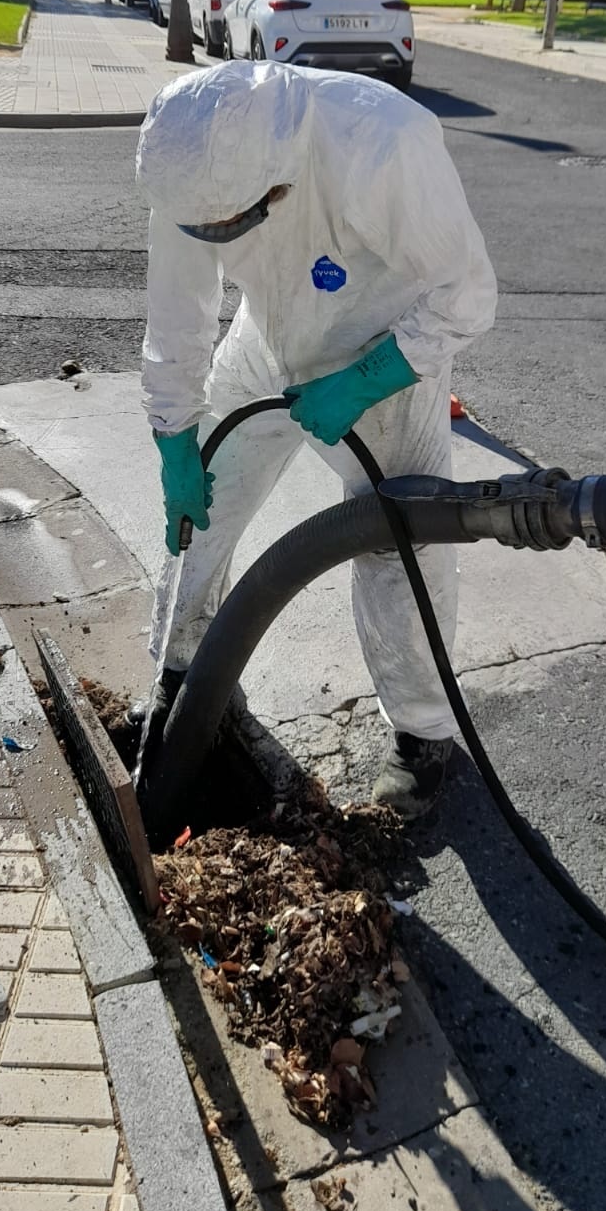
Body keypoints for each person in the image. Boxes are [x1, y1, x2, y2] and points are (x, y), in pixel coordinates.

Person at [135, 61, 497, 817]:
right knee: (203, 506)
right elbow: (178, 310)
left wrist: (363, 381)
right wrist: (174, 441)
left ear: (273, 182)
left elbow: (466, 294)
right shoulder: (191, 159)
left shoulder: (383, 141)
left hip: (383, 346)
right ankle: (185, 671)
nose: (214, 239)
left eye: (228, 226)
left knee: (399, 542)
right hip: (268, 334)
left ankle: (424, 733)